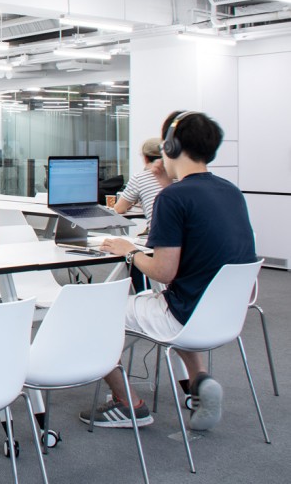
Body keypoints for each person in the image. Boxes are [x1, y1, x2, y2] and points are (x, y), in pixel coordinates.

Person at [83, 111, 255, 431]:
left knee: (94, 313)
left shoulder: (173, 198)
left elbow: (162, 271)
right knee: (168, 294)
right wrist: (167, 185)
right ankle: (199, 380)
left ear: (171, 147)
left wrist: (129, 250)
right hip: (223, 315)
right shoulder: (230, 191)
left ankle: (128, 405)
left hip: (182, 315)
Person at [113, 136, 164, 291]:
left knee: (130, 248)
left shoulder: (140, 178)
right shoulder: (176, 178)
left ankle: (142, 291)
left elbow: (119, 209)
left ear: (146, 158)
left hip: (156, 240)